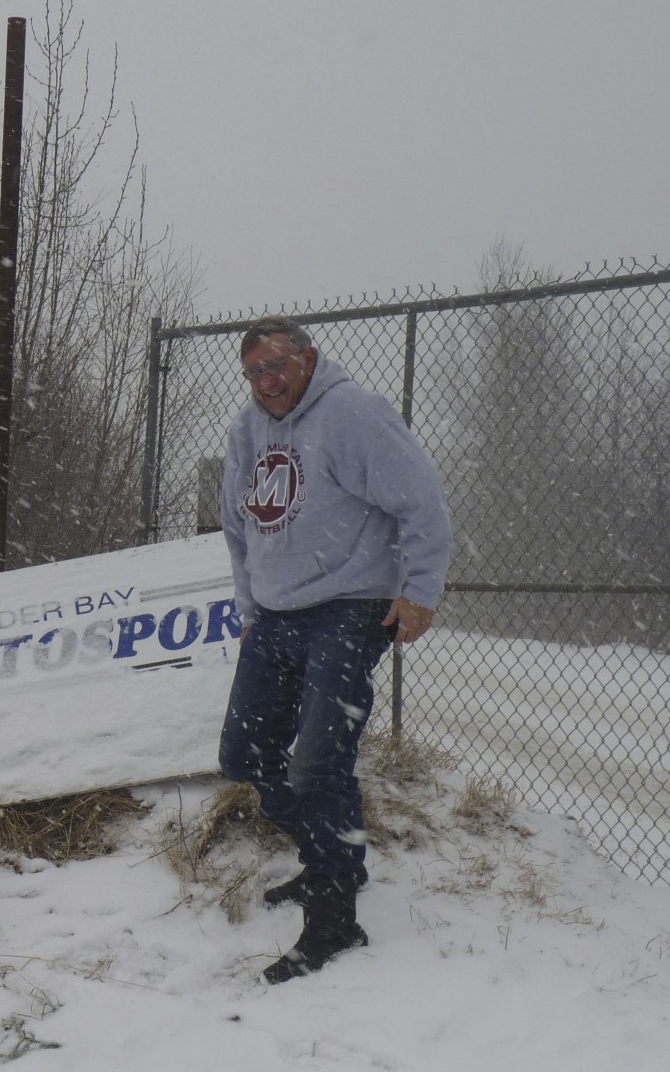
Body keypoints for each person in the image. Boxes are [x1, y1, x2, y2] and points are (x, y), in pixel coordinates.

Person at [218, 316, 452, 984]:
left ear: (308, 359)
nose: (267, 383)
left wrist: (421, 591)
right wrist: (249, 606)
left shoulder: (354, 414)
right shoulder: (247, 428)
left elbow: (423, 504)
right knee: (245, 753)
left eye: (277, 367)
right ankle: (335, 857)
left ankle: (334, 919)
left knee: (319, 762)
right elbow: (238, 527)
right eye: (255, 372)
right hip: (276, 614)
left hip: (350, 608)